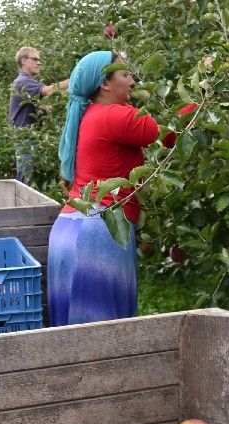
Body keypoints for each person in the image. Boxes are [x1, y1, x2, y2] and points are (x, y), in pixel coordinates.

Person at [48, 50, 160, 327]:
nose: (133, 81)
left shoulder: (89, 116)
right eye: (125, 74)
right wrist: (203, 94)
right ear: (105, 84)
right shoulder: (117, 115)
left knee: (68, 337)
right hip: (100, 233)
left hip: (67, 229)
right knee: (105, 336)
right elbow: (166, 132)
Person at [10, 47, 70, 184]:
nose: (39, 63)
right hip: (25, 137)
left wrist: (40, 108)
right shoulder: (22, 81)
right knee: (26, 178)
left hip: (28, 136)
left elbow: (28, 104)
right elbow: (48, 90)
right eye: (35, 59)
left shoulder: (27, 81)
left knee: (27, 175)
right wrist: (74, 79)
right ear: (24, 61)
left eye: (39, 60)